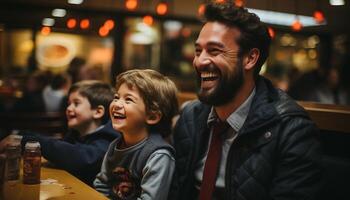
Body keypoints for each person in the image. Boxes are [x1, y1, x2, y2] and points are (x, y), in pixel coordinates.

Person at [170, 2, 322, 200]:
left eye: (214, 51)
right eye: (198, 51)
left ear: (250, 59)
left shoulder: (292, 131)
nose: (199, 61)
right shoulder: (191, 116)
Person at [0, 80, 119, 185]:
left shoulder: (108, 139)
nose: (69, 108)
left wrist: (25, 140)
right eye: (69, 103)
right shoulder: (75, 134)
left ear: (98, 112)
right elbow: (61, 150)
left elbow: (82, 159)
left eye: (76, 103)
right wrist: (22, 135)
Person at [94, 69, 178, 200]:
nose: (116, 104)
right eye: (116, 97)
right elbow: (102, 185)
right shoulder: (116, 145)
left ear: (152, 116)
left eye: (128, 100)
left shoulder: (159, 155)